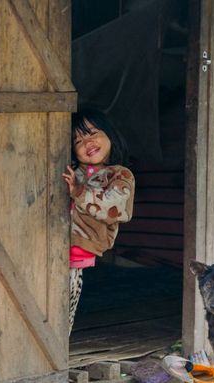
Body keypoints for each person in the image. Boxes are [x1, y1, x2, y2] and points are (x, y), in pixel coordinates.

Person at [62, 109, 135, 335]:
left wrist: (79, 192)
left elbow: (115, 208)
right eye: (78, 140)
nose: (88, 142)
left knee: (65, 304)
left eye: (93, 133)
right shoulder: (74, 172)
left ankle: (58, 348)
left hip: (82, 244)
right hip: (57, 243)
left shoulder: (120, 175)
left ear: (110, 135)